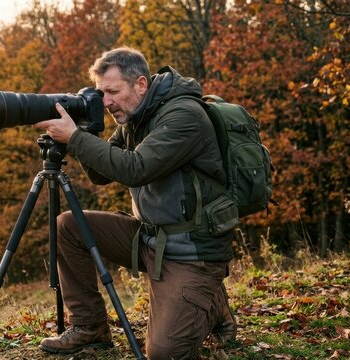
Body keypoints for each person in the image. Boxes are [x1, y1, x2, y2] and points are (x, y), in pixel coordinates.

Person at [32, 47, 237, 359]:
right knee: (69, 226)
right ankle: (89, 327)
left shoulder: (183, 115)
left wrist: (75, 138)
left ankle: (210, 301)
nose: (107, 101)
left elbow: (135, 168)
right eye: (101, 93)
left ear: (141, 84)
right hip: (151, 239)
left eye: (112, 91)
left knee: (163, 354)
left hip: (192, 251)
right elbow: (102, 175)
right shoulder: (134, 115)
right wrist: (83, 129)